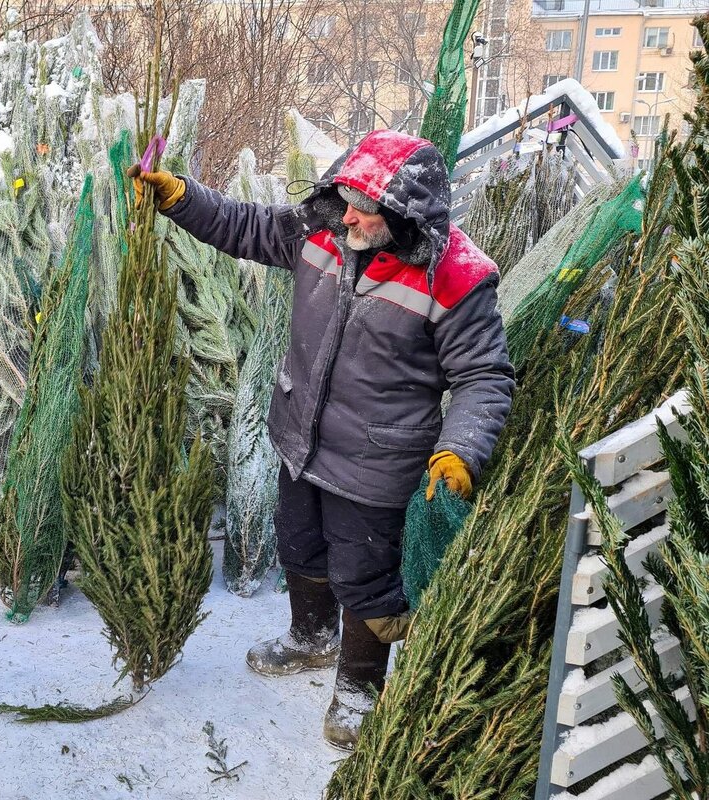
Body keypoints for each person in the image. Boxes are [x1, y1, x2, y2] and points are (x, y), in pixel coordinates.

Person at [132, 129, 514, 750]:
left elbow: (484, 376)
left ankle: (360, 688)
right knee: (301, 548)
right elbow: (243, 226)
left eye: (368, 208)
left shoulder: (456, 278)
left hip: (376, 461)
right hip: (300, 438)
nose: (352, 216)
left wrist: (461, 451)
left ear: (408, 215)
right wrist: (178, 196)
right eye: (347, 200)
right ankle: (311, 637)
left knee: (365, 575)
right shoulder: (325, 229)